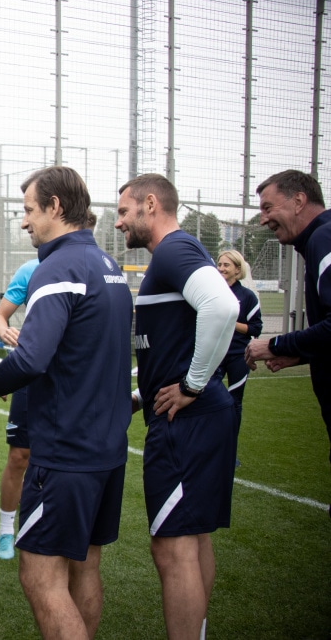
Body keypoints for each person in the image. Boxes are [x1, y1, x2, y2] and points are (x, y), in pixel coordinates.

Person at [0, 166, 132, 640]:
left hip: (67, 451)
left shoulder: (58, 267)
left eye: (29, 210)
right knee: (84, 564)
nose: (24, 222)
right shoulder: (107, 266)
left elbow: (29, 359)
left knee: (40, 574)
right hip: (107, 448)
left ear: (56, 207)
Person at [115, 173, 239, 640]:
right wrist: (144, 394)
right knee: (191, 540)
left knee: (172, 548)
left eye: (125, 211)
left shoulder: (173, 249)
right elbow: (177, 339)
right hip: (195, 416)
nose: (120, 222)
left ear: (151, 204)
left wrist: (191, 384)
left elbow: (222, 308)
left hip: (188, 421)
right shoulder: (171, 256)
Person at [245, 170, 331, 488]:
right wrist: (303, 354)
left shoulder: (325, 238)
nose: (263, 219)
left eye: (268, 207)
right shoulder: (317, 241)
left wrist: (277, 345)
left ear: (298, 201)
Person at [0, 257, 38, 561]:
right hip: (30, 375)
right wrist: (6, 332)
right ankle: (6, 530)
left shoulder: (92, 267)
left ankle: (40, 525)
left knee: (60, 459)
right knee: (20, 456)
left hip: (72, 380)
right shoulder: (31, 270)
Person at [214, 249, 262, 421]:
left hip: (238, 355)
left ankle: (230, 441)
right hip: (214, 353)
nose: (221, 268)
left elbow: (256, 328)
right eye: (219, 264)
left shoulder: (248, 297)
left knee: (235, 400)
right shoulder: (212, 293)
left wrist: (231, 324)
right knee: (208, 397)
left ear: (238, 269)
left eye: (226, 265)